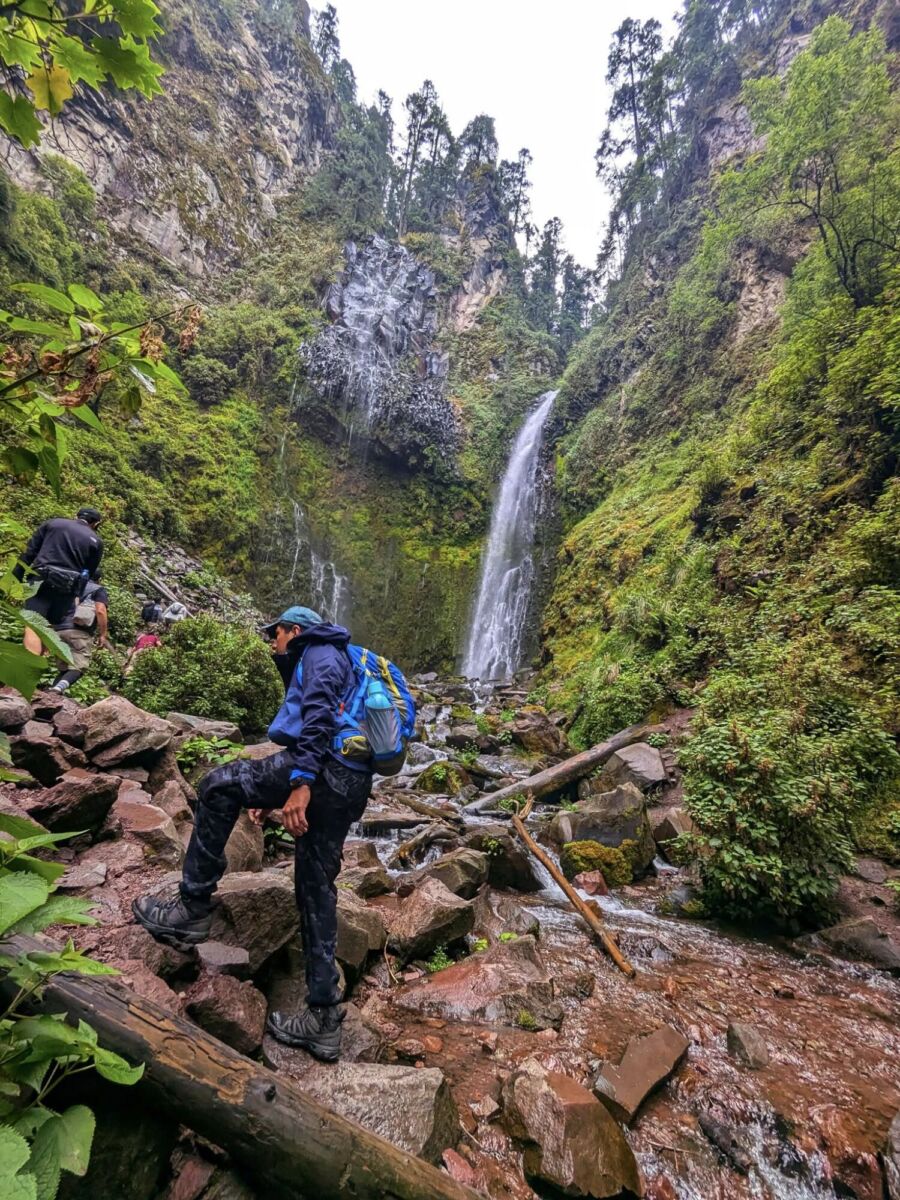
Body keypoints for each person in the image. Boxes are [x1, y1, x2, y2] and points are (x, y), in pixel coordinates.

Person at [133, 605, 373, 1062]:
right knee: (315, 885)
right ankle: (324, 1017)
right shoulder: (339, 655)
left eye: (275, 634)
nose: (272, 643)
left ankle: (191, 908)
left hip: (324, 770)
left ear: (294, 630)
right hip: (349, 779)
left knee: (217, 786)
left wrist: (299, 784)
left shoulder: (319, 652)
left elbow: (319, 717)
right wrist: (277, 791)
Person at [14, 508, 103, 656]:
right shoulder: (96, 541)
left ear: (76, 515)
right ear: (96, 524)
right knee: (48, 627)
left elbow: (30, 551)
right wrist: (76, 595)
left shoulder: (53, 524)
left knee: (33, 624)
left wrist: (17, 575)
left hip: (42, 578)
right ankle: (38, 662)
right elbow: (87, 573)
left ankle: (30, 663)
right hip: (67, 587)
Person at [51, 577, 110, 694]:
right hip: (78, 632)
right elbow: (100, 610)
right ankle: (57, 689)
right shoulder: (98, 589)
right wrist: (103, 634)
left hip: (58, 630)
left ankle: (52, 693)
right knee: (78, 667)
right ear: (99, 579)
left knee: (64, 669)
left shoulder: (70, 585)